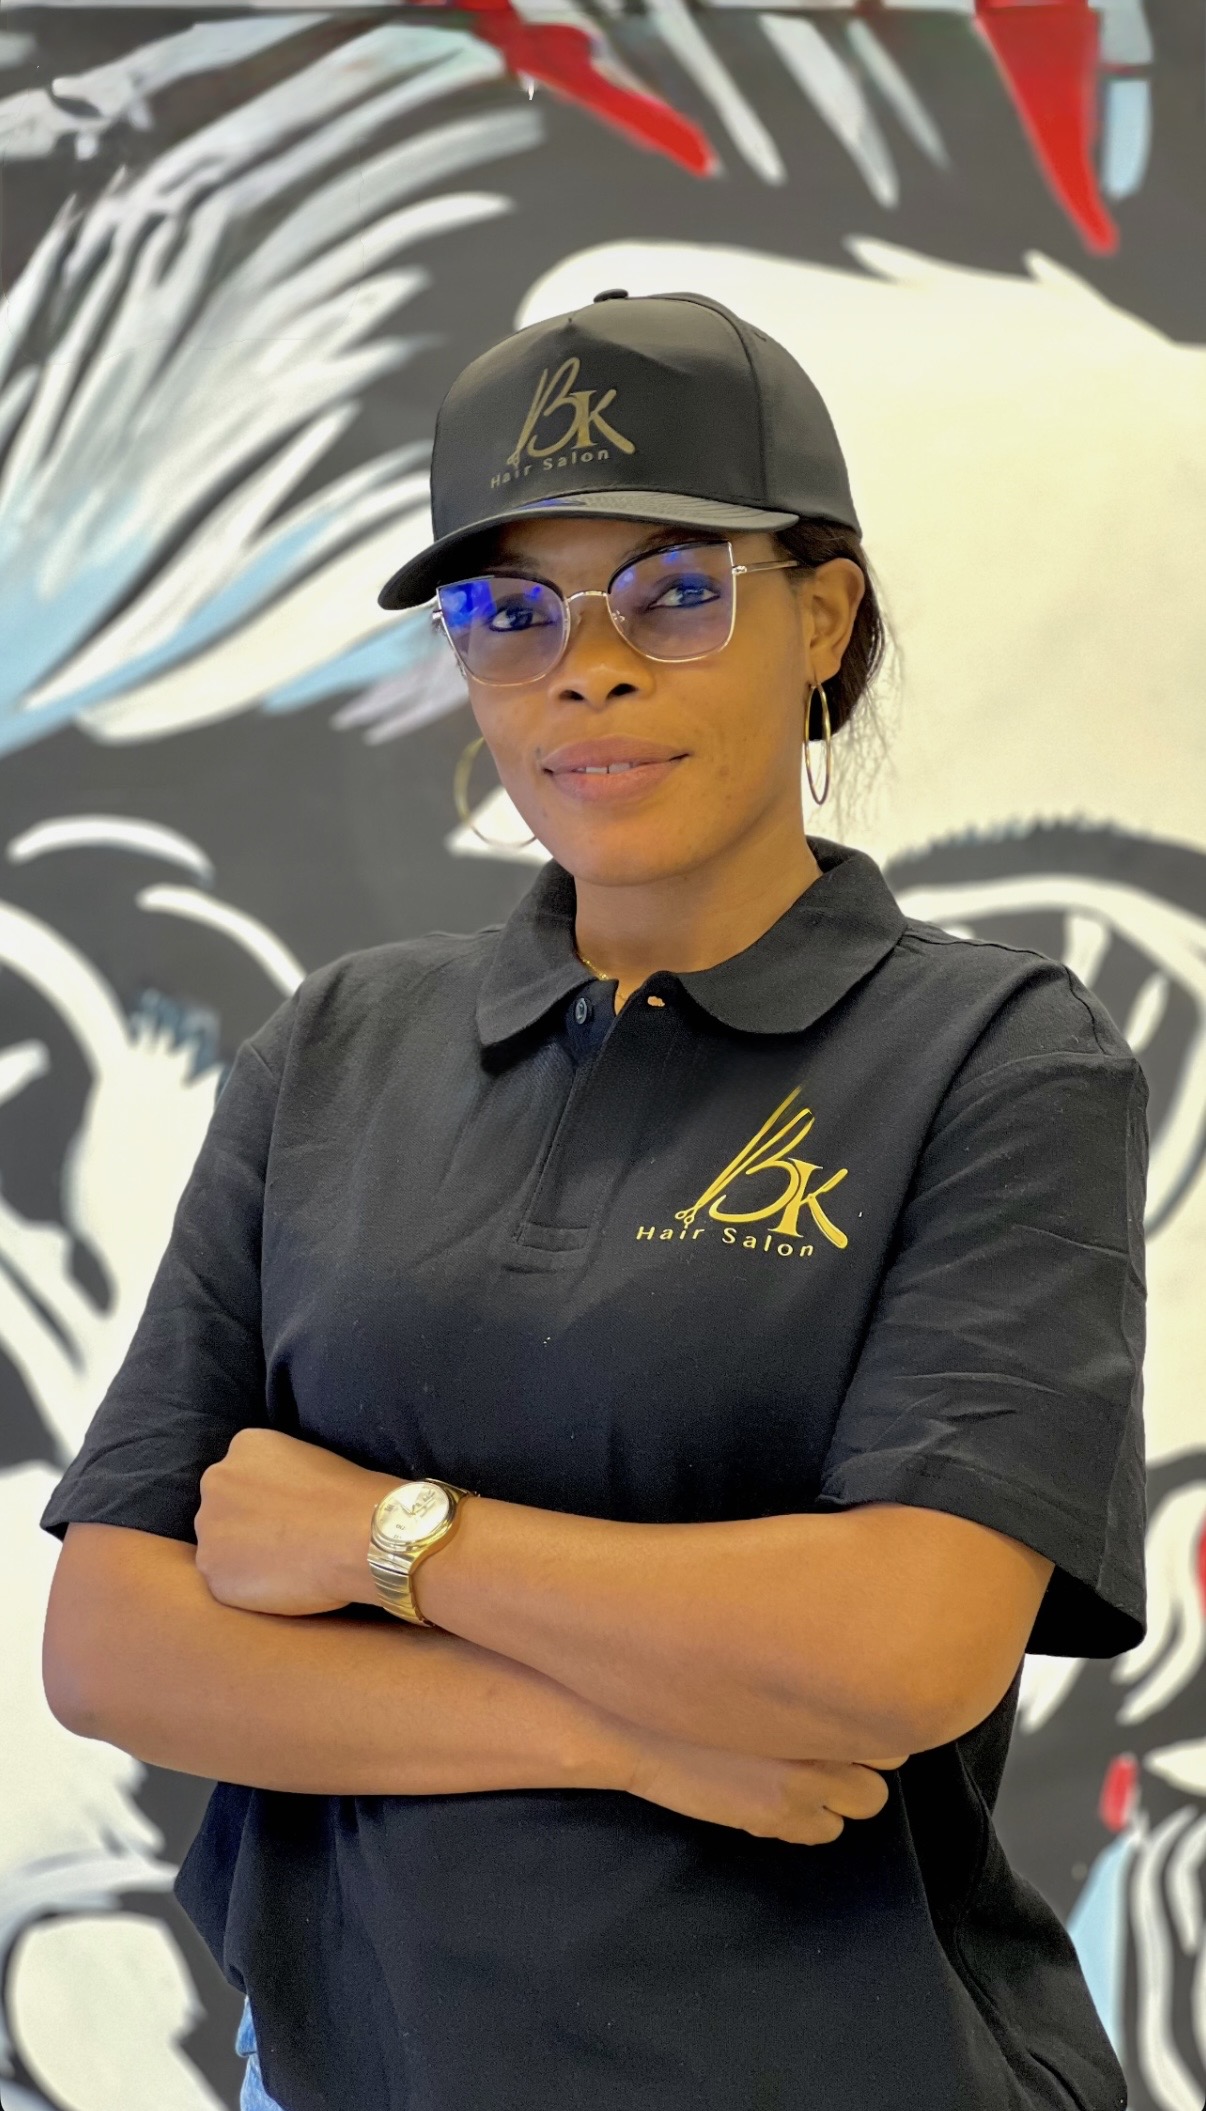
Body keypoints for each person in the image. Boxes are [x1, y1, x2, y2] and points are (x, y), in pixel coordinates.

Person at [39, 290, 1146, 2111]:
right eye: (511, 612)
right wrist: (637, 1738)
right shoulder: (335, 1052)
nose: (586, 669)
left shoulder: (993, 1056)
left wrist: (378, 1538)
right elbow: (116, 1643)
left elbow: (899, 1646)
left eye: (673, 592)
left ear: (822, 618)